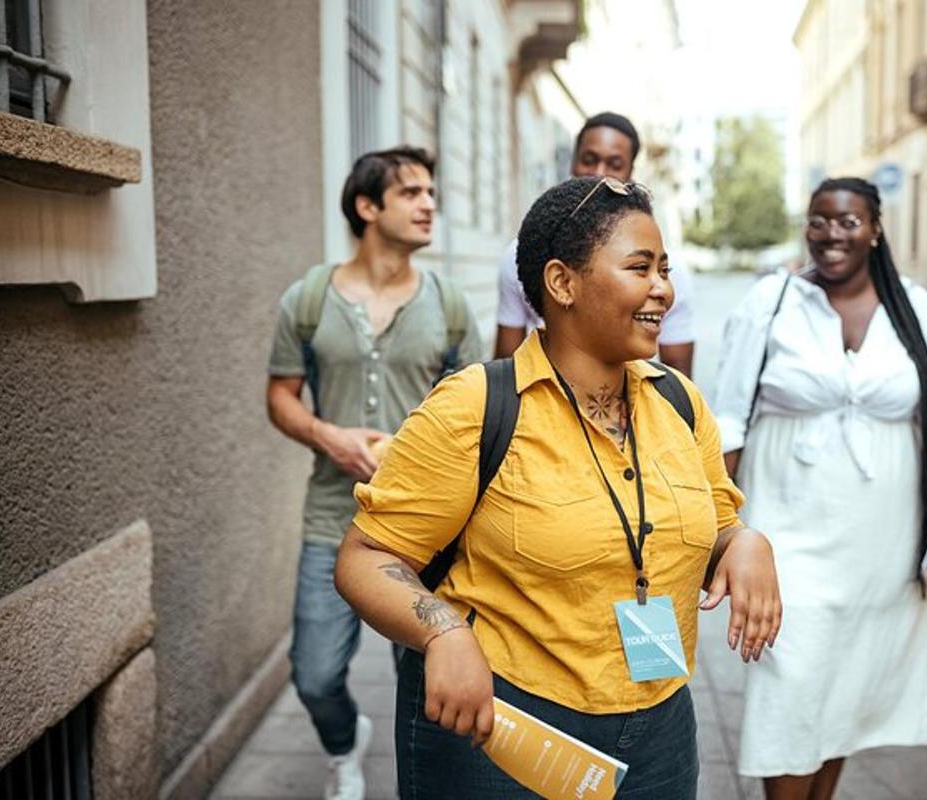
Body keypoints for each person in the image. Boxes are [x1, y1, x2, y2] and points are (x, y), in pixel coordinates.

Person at [334, 175, 781, 799]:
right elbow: (367, 556)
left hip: (660, 731)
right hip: (505, 729)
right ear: (562, 282)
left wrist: (743, 542)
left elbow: (709, 529)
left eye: (666, 269)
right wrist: (442, 630)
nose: (664, 289)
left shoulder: (680, 403)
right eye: (640, 267)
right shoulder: (474, 406)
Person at [715, 177, 927, 800]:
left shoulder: (914, 308)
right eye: (820, 221)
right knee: (794, 680)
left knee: (847, 689)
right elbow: (726, 423)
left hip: (881, 541)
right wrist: (720, 532)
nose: (832, 234)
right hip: (788, 528)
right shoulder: (770, 302)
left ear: (875, 229)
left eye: (849, 222)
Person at [266, 146, 483, 800]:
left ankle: (422, 784)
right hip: (333, 518)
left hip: (425, 532)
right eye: (411, 193)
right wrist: (326, 435)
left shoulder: (447, 304)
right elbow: (279, 395)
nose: (428, 205)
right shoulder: (307, 299)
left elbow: (479, 409)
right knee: (314, 675)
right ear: (367, 207)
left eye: (431, 194)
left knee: (421, 676)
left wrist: (417, 451)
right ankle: (343, 744)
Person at [495, 111, 696, 376]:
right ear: (559, 280)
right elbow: (505, 364)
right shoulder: (523, 254)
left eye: (614, 164)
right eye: (589, 160)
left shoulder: (666, 275)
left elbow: (678, 379)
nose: (599, 174)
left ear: (630, 173)